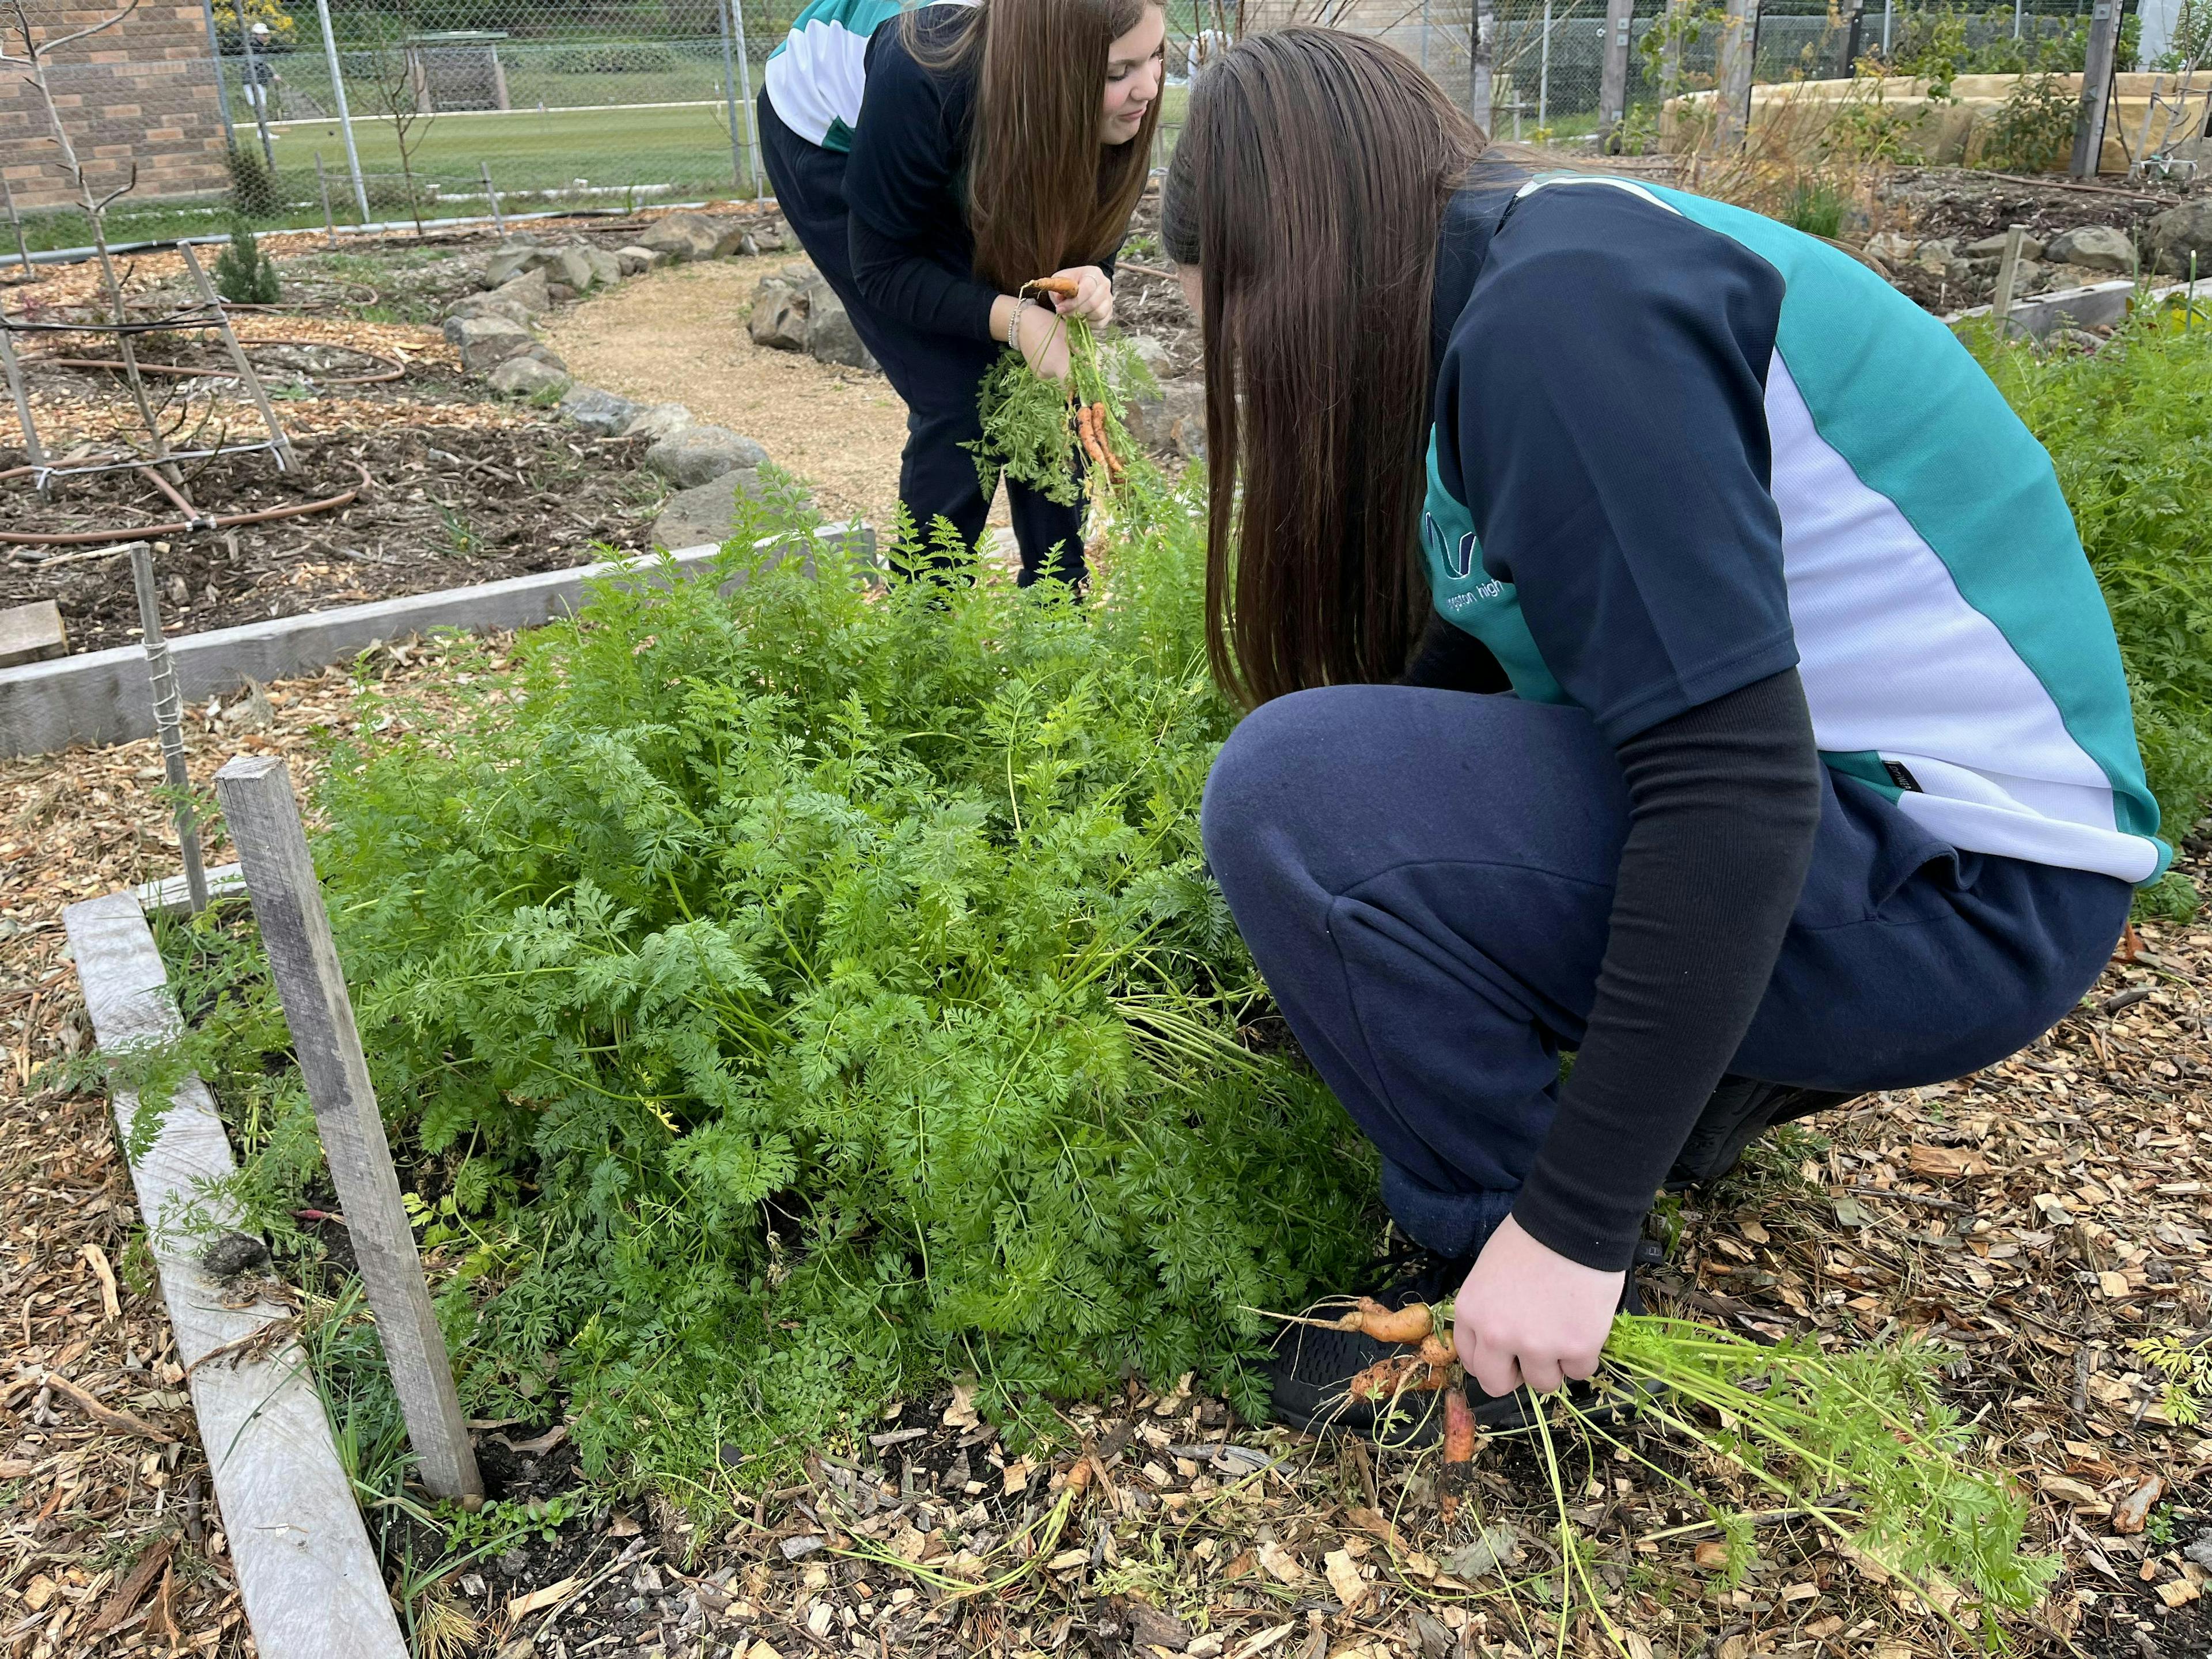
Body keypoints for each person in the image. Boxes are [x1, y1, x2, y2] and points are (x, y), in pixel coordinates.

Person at [1161, 32, 2164, 1433]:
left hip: (1962, 889)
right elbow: (1472, 671)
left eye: (1238, 349)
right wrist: (1342, 937)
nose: (1257, 401)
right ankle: (1685, 1106)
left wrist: (1566, 1228)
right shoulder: (1524, 282)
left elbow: (1731, 789)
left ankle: (1493, 1326)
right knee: (1326, 791)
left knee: (1285, 790)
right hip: (1896, 839)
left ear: (1295, 277)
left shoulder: (1560, 325)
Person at [759, 0, 1165, 587]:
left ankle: (1059, 605)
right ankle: (925, 621)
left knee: (1050, 380)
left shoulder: (1118, 103)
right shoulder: (923, 73)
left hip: (996, 113)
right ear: (1048, 66)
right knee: (960, 396)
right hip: (830, 135)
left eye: (1156, 57)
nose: (1148, 87)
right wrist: (1016, 318)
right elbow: (885, 268)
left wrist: (1089, 281)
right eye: (1116, 73)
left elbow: (1082, 237)